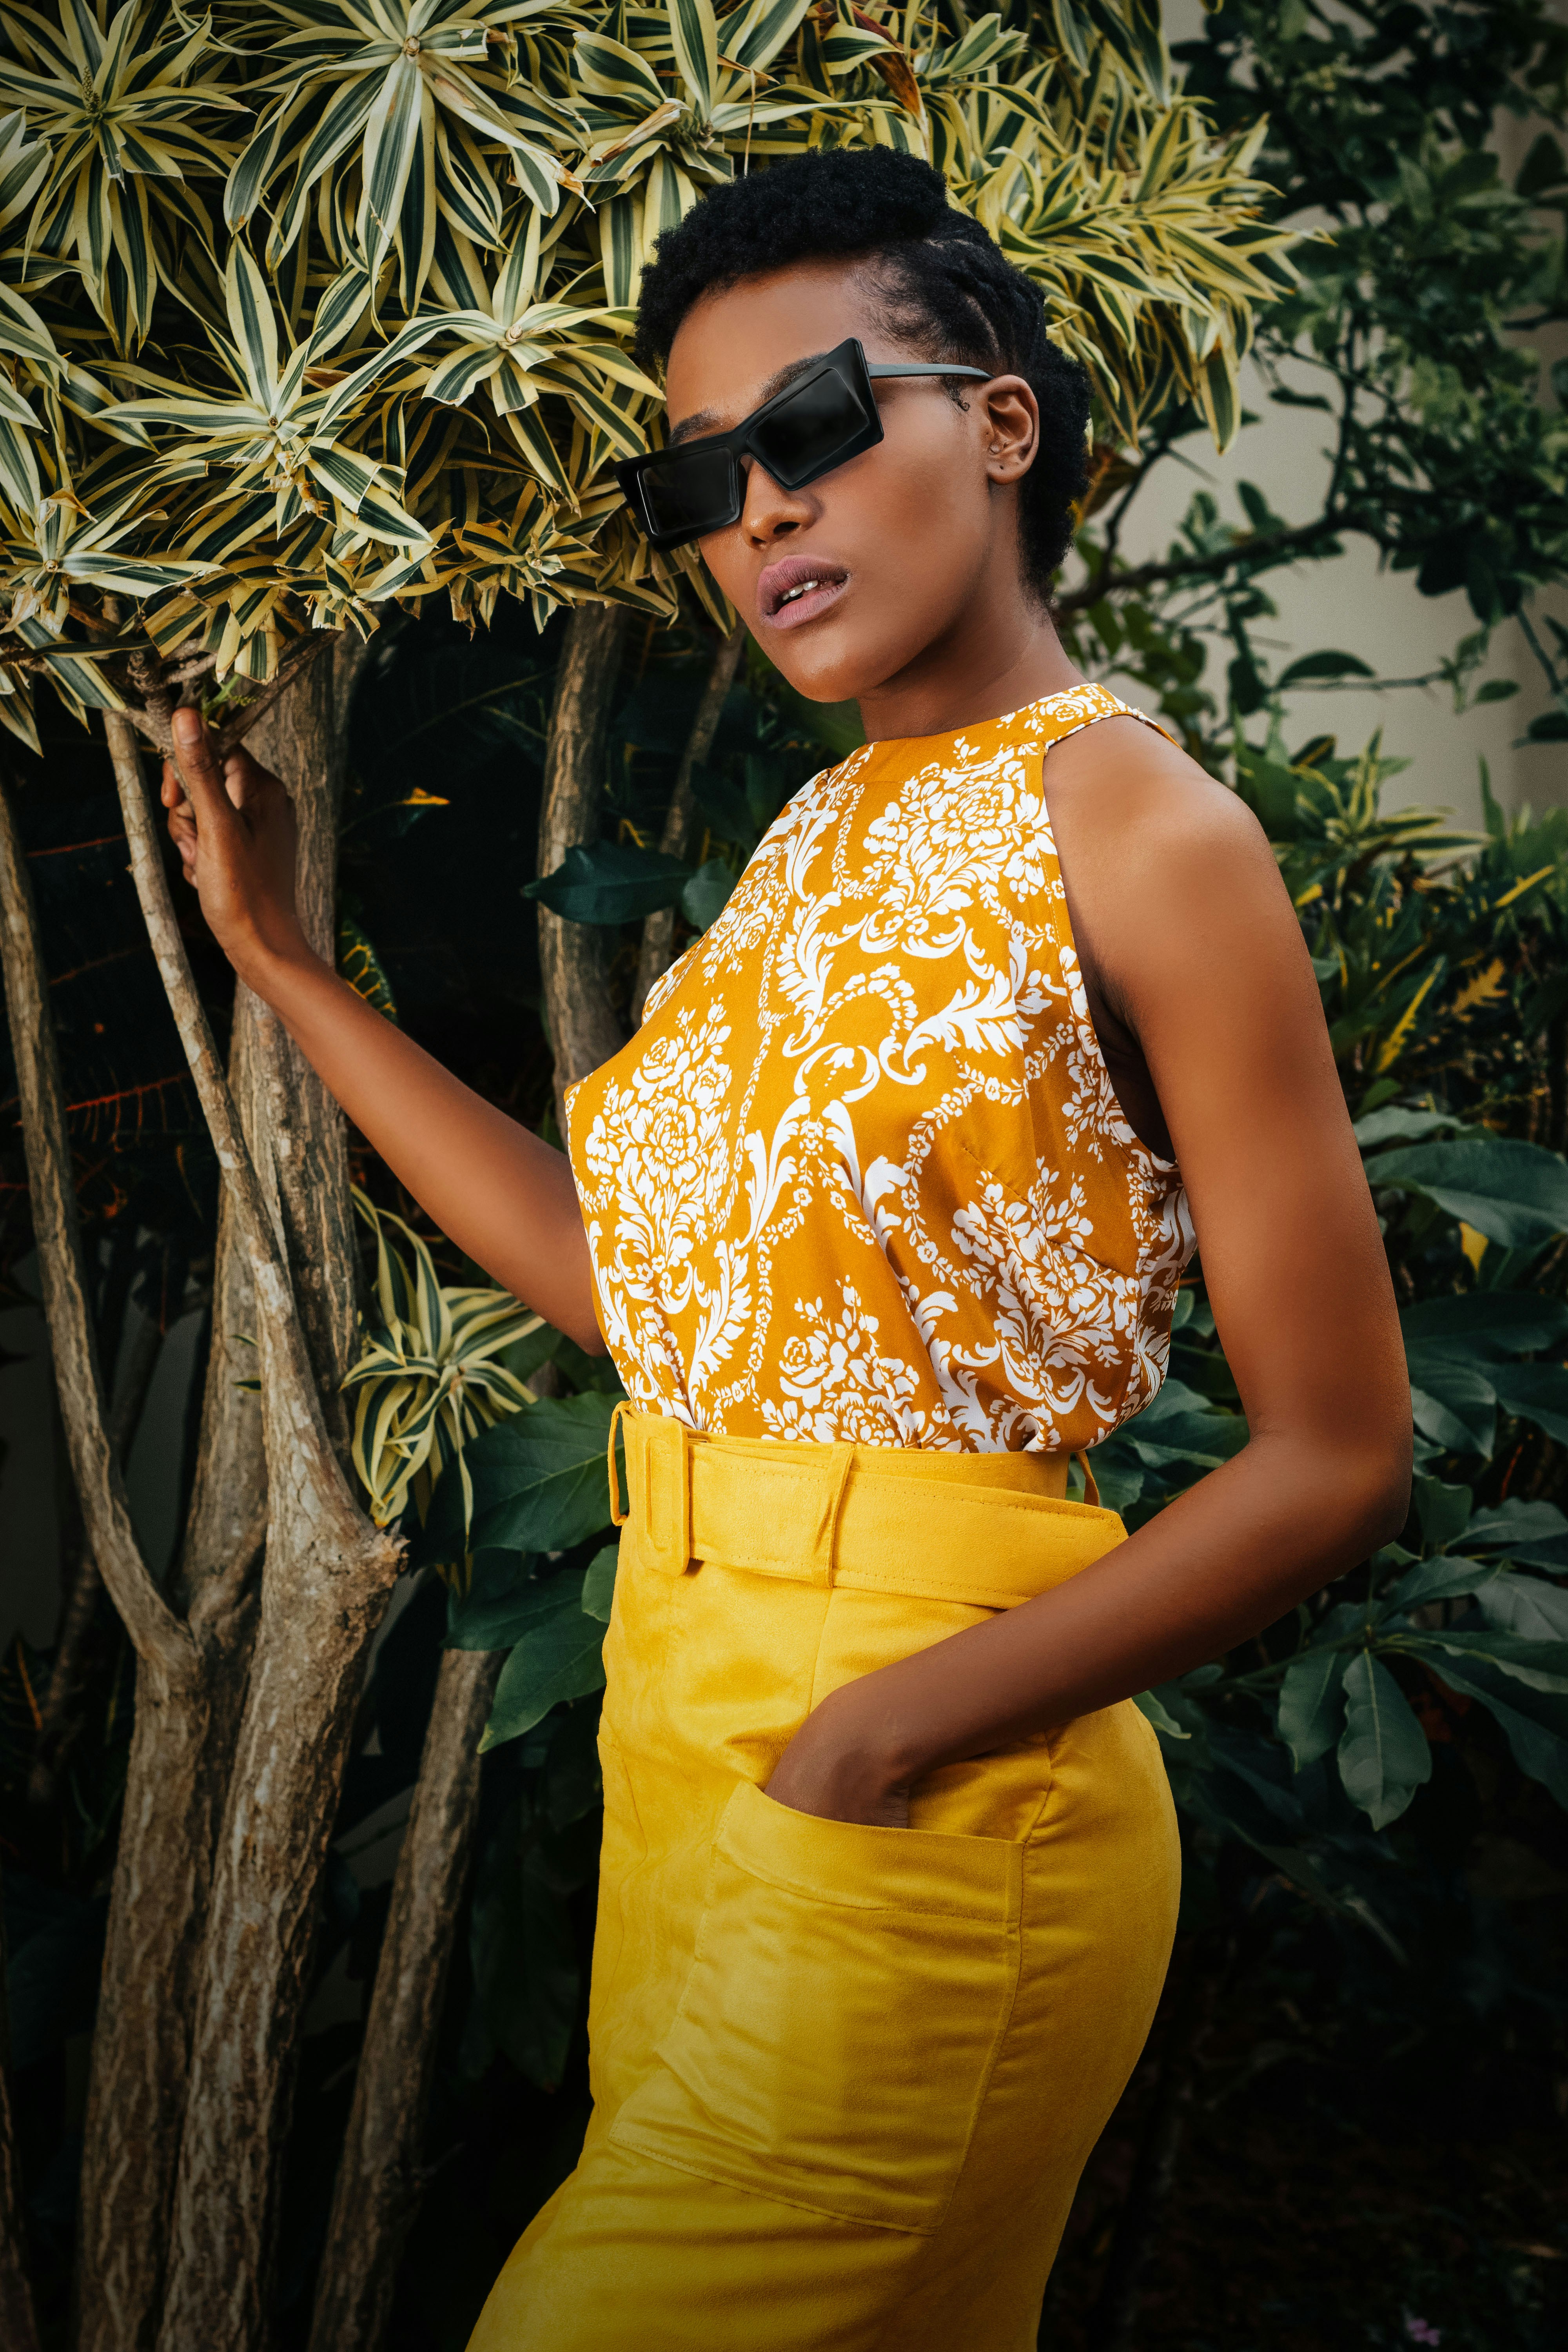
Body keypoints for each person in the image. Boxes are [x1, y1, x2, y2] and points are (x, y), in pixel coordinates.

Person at [163, 148, 1411, 2352]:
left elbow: (1335, 1452)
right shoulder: (821, 828)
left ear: (999, 421)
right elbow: (655, 1305)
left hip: (928, 1782)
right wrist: (286, 965)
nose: (758, 512)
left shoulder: (1151, 833)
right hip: (688, 1729)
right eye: (703, 478)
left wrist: (886, 1729)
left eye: (815, 428)